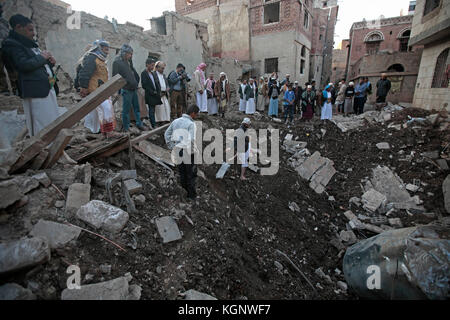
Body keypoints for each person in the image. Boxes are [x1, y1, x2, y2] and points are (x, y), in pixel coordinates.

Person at [2, 14, 60, 137]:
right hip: (35, 90)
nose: (33, 33)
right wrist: (42, 57)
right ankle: (44, 147)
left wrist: (49, 63)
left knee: (51, 117)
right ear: (18, 27)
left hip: (46, 87)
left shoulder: (30, 45)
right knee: (41, 120)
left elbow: (38, 66)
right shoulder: (12, 45)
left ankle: (55, 143)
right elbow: (23, 65)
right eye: (30, 29)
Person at [76, 39, 115, 136]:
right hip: (95, 90)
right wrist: (84, 88)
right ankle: (109, 132)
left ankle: (93, 132)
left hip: (101, 90)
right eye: (105, 49)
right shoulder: (91, 58)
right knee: (106, 108)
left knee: (94, 112)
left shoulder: (100, 60)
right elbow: (85, 73)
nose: (107, 52)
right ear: (99, 48)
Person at [165, 105, 200, 200]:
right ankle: (191, 196)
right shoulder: (191, 124)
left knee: (182, 172)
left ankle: (184, 193)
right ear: (192, 113)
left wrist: (172, 147)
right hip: (188, 152)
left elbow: (167, 134)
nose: (196, 116)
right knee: (191, 174)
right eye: (196, 114)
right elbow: (191, 140)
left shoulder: (176, 121)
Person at [112, 44, 143, 132]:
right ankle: (126, 127)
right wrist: (118, 90)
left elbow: (132, 73)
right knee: (126, 110)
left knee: (136, 108)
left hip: (133, 89)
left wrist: (135, 82)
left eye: (131, 54)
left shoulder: (128, 62)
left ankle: (139, 124)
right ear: (124, 53)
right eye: (129, 54)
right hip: (126, 89)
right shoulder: (117, 62)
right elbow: (115, 77)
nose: (131, 56)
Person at [141, 58, 160, 128]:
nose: (152, 67)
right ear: (147, 65)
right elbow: (144, 85)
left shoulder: (152, 73)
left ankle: (154, 123)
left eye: (153, 66)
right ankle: (153, 124)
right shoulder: (144, 73)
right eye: (151, 65)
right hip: (149, 94)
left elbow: (155, 83)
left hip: (154, 94)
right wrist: (152, 91)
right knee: (151, 110)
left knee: (153, 110)